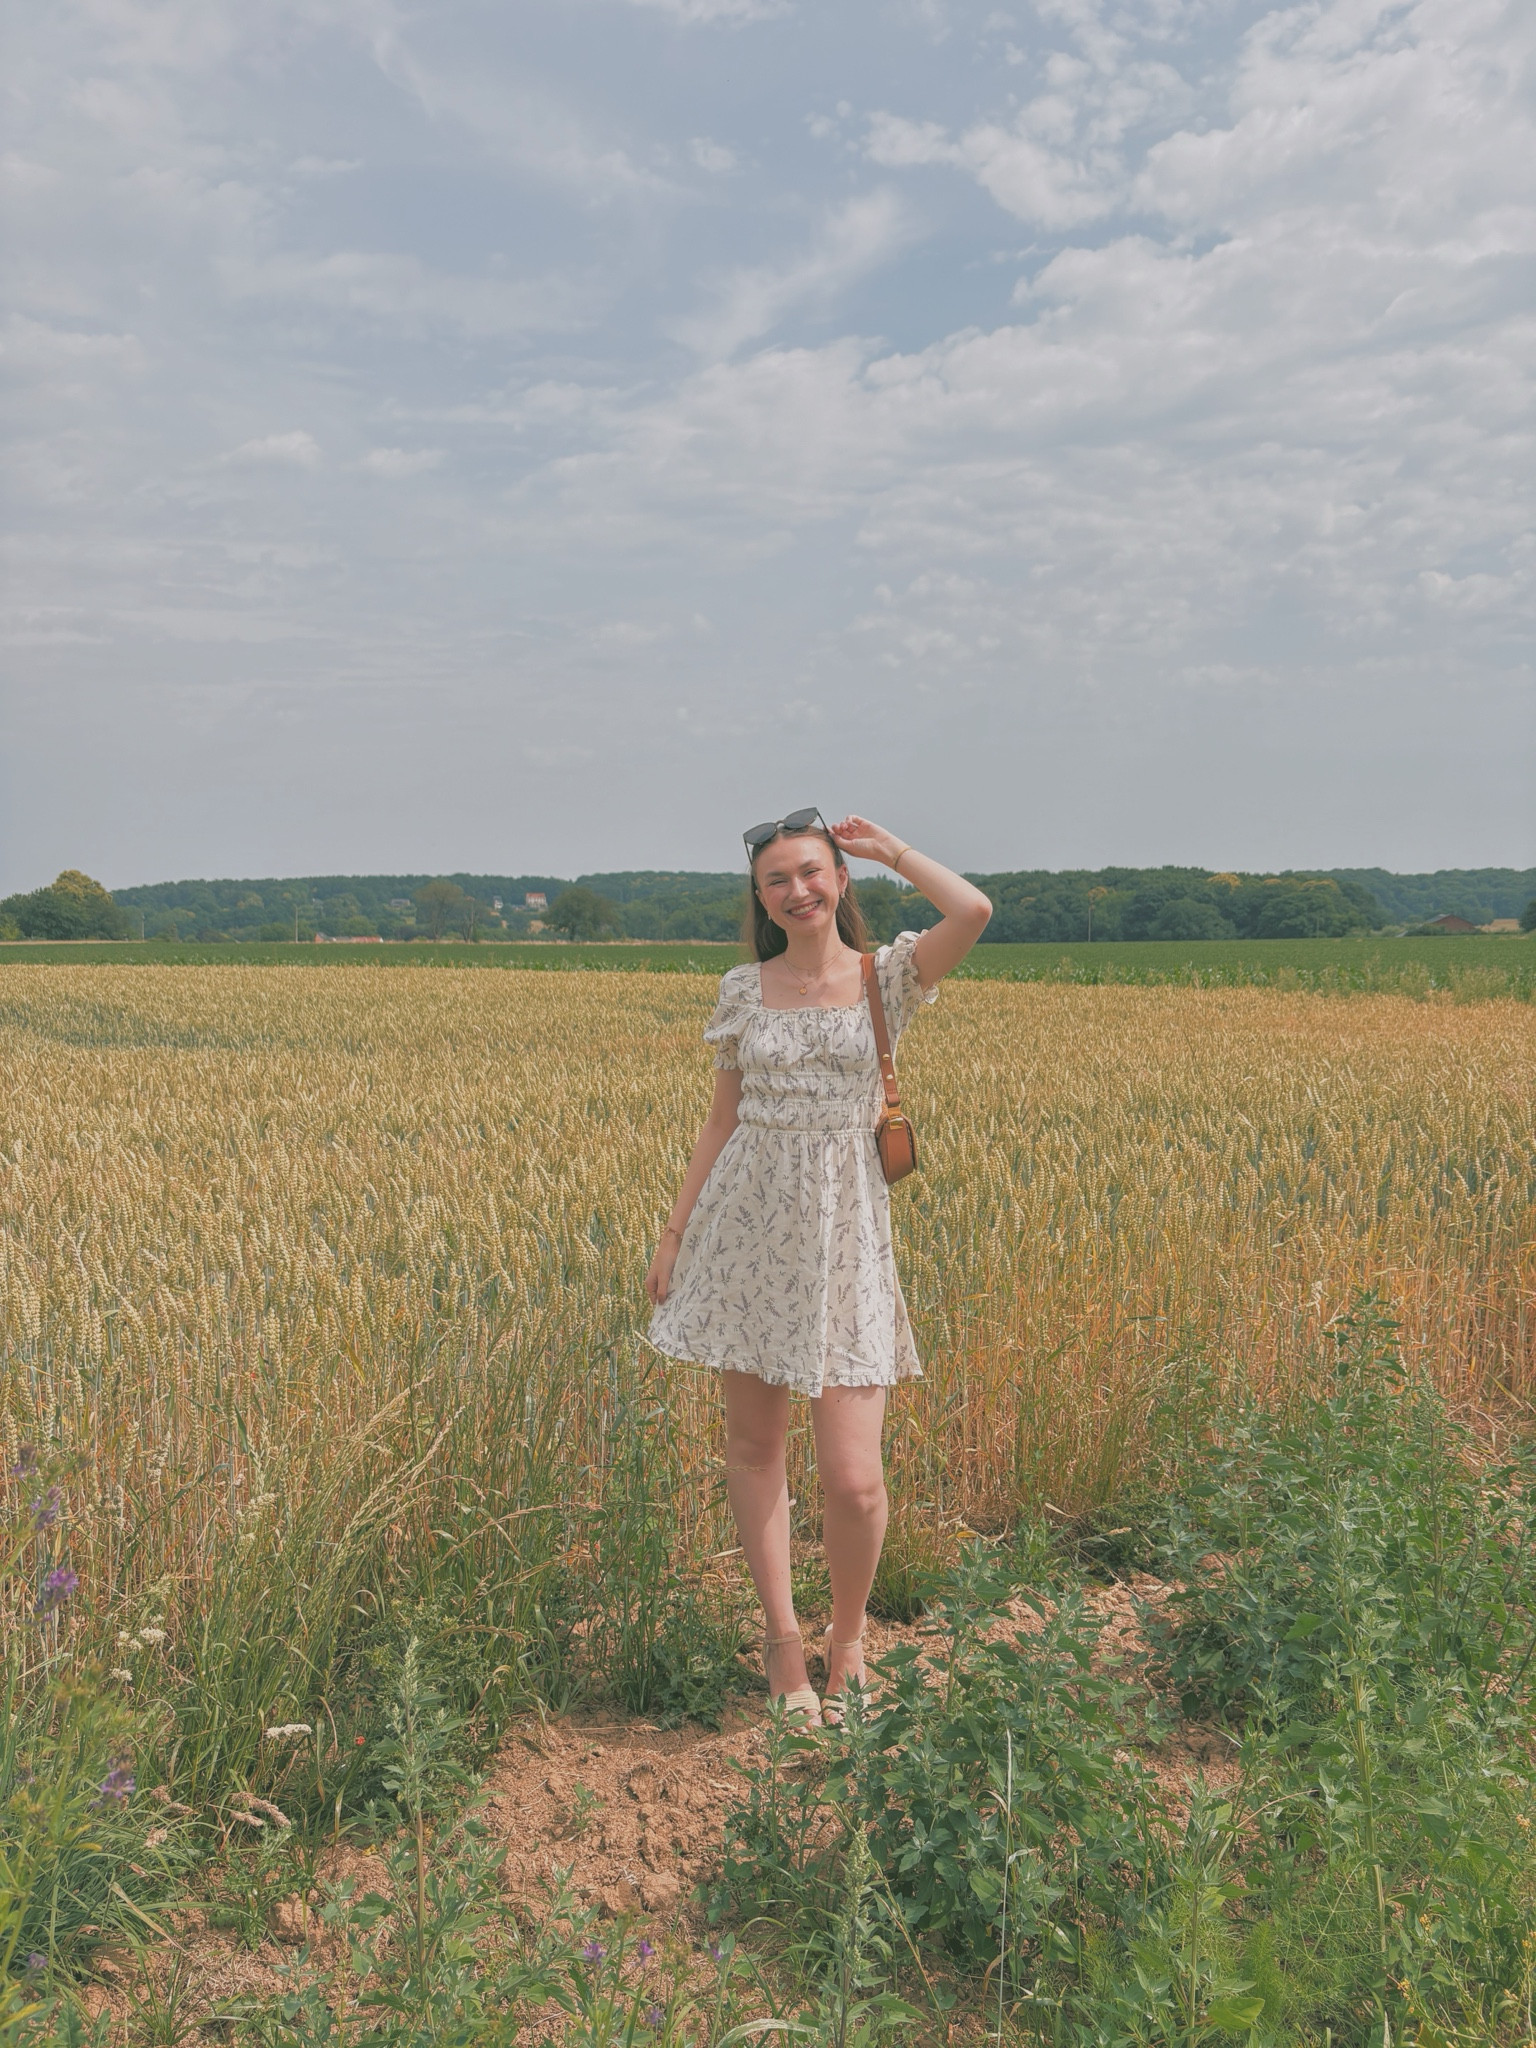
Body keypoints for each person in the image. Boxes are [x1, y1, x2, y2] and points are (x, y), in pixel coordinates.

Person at [645, 810, 991, 1722]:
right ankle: (783, 1644)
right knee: (756, 1447)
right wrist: (675, 1234)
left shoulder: (887, 979)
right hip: (745, 1232)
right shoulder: (743, 988)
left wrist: (892, 850)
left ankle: (850, 1638)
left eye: (811, 871)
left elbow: (974, 910)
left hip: (847, 1243)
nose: (796, 890)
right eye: (776, 880)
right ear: (759, 898)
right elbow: (721, 1120)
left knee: (854, 1478)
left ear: (839, 879)